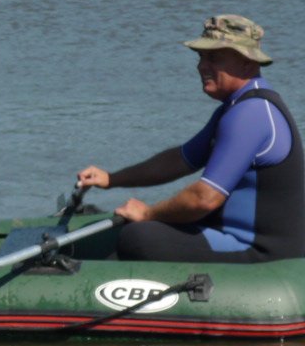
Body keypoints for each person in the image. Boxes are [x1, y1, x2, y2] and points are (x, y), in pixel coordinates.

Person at [77, 14, 305, 263]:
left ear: (247, 63)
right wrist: (111, 179)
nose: (201, 66)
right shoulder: (235, 108)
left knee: (139, 237)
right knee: (131, 230)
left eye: (214, 58)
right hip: (229, 234)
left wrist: (148, 214)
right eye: (201, 57)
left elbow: (204, 199)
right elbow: (178, 160)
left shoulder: (251, 113)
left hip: (261, 251)